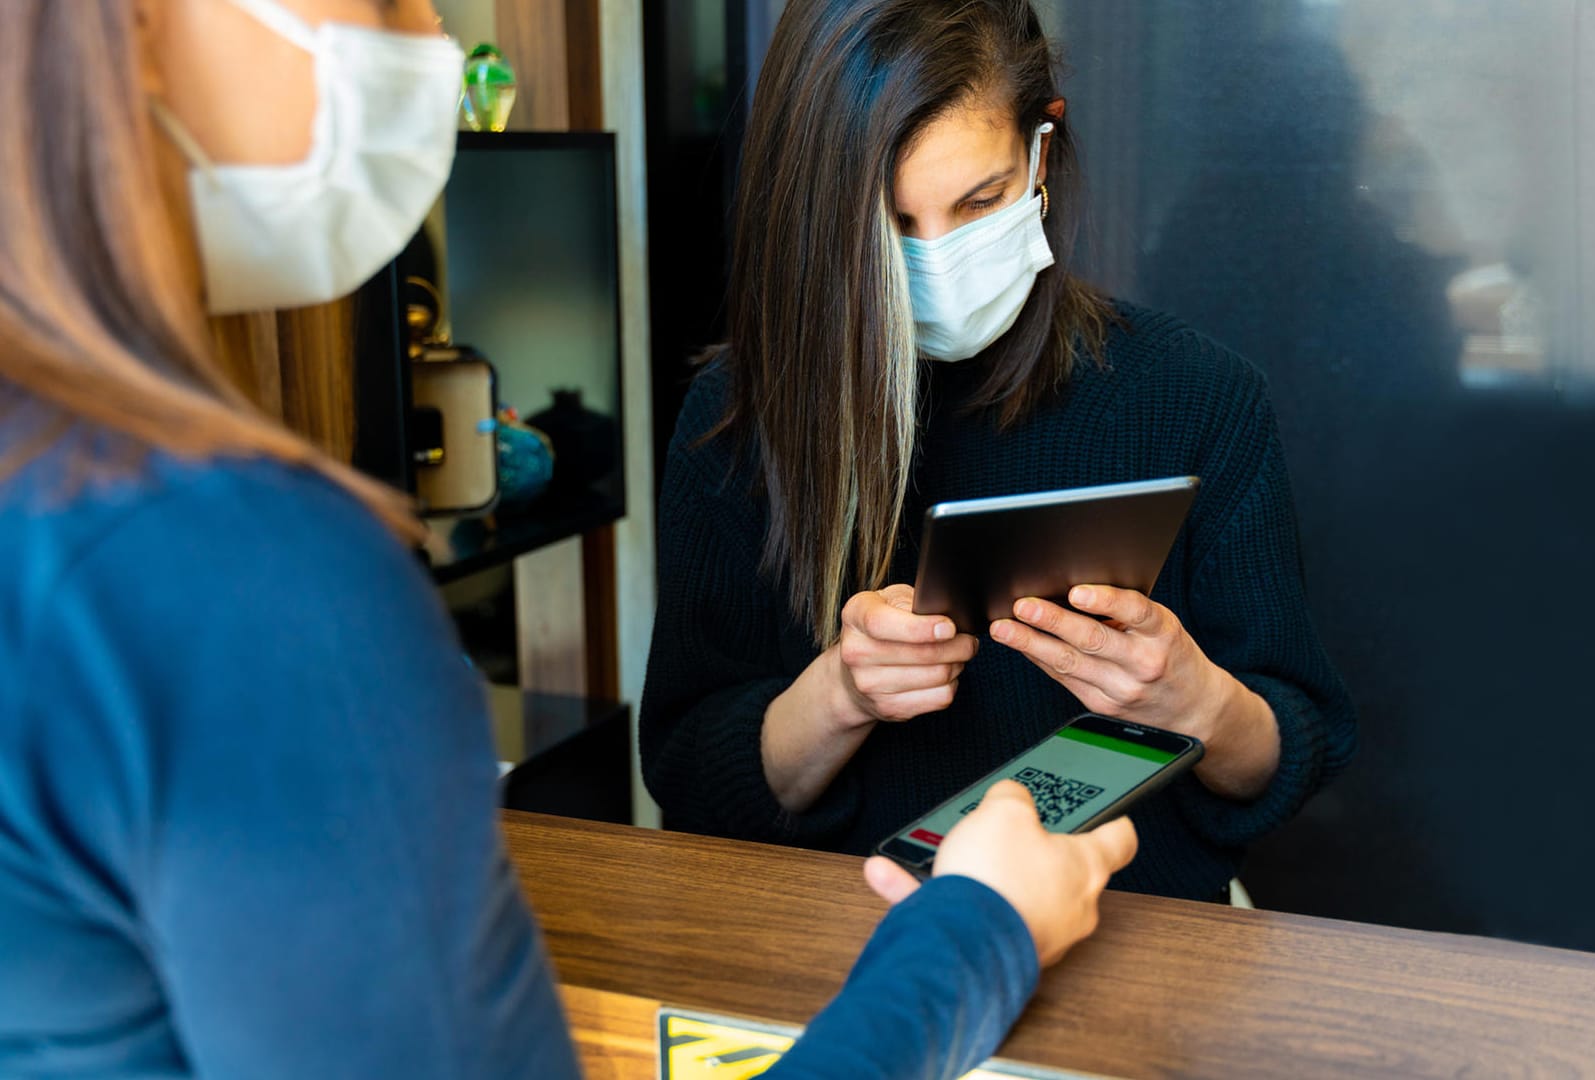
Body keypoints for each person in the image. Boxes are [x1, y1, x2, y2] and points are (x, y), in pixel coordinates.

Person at [0, 1, 1138, 1076]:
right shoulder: (253, 582)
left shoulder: (76, 515)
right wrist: (978, 932)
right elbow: (692, 756)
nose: (429, 34)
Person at [640, 0, 1358, 904]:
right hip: (849, 948)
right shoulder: (740, 416)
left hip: (1142, 947)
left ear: (1041, 151)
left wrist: (1194, 703)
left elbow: (1288, 755)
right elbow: (690, 774)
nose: (938, 258)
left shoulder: (1200, 398)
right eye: (891, 224)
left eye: (978, 201)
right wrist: (842, 696)